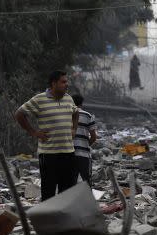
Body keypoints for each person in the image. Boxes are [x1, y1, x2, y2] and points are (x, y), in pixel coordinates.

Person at [15, 70, 79, 201]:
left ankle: (63, 220)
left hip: (68, 152)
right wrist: (33, 132)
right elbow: (19, 114)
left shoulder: (68, 98)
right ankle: (49, 220)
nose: (67, 84)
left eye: (67, 82)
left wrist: (74, 129)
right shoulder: (40, 99)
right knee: (48, 191)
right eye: (63, 82)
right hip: (49, 154)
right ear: (53, 83)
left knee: (67, 192)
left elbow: (76, 112)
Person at [71, 94, 97, 185]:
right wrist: (85, 145)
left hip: (69, 154)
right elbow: (93, 137)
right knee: (87, 181)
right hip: (84, 155)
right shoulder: (88, 116)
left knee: (70, 183)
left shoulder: (67, 115)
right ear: (81, 104)